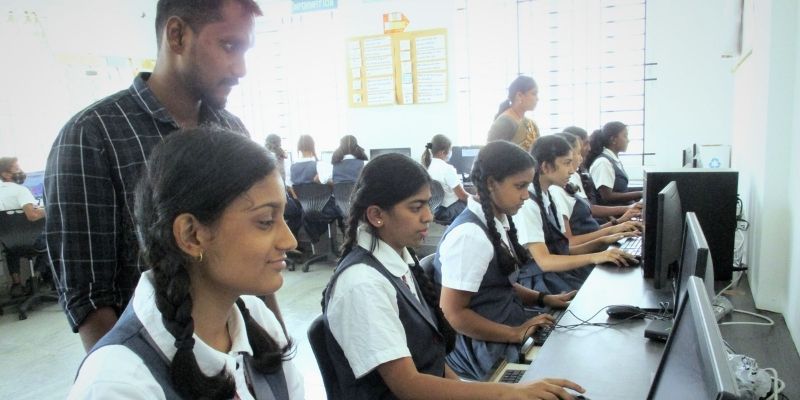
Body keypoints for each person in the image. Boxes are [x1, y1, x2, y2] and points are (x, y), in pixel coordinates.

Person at [44, 0, 285, 352]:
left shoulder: (231, 130)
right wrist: (135, 372)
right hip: (153, 361)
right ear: (177, 35)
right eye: (228, 46)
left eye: (245, 50)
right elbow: (90, 298)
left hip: (237, 352)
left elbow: (255, 265)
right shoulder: (93, 136)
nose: (240, 68)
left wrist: (278, 353)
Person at [321, 153, 584, 399]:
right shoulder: (362, 284)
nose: (429, 216)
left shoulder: (398, 259)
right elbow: (408, 386)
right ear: (377, 215)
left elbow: (432, 359)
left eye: (427, 204)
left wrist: (485, 390)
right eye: (416, 207)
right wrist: (507, 393)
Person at [69, 128, 304, 399]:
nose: (289, 241)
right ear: (191, 235)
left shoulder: (255, 317)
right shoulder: (115, 386)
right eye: (265, 221)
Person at [433, 140, 577, 381]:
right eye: (520, 186)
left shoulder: (496, 221)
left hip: (504, 324)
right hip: (481, 342)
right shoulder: (470, 236)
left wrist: (543, 298)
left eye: (527, 186)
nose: (526, 195)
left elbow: (499, 285)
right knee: (565, 366)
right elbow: (452, 314)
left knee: (572, 340)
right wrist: (515, 333)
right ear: (491, 183)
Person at [512, 136, 638, 294]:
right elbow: (545, 261)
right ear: (546, 167)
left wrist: (603, 241)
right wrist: (595, 256)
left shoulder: (548, 196)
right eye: (566, 163)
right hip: (541, 281)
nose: (571, 170)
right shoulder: (528, 204)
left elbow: (564, 250)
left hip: (557, 273)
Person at [548, 132, 642, 240]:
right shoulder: (556, 190)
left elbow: (590, 229)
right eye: (577, 153)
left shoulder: (570, 180)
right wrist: (613, 230)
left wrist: (618, 224)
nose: (581, 158)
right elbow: (569, 243)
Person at [562, 126, 642, 222]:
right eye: (586, 144)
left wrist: (616, 221)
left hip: (599, 220)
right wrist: (627, 208)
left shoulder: (577, 173)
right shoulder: (601, 162)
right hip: (594, 221)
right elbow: (603, 199)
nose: (589, 148)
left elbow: (588, 205)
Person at [0, 157, 47, 297]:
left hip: (8, 244)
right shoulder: (20, 190)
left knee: (11, 245)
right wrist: (50, 208)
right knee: (54, 240)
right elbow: (32, 215)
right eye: (17, 169)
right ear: (5, 174)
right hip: (32, 243)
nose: (21, 171)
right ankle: (36, 278)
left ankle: (17, 284)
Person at [289, 134, 341, 241]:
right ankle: (346, 242)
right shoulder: (320, 165)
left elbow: (294, 195)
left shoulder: (292, 168)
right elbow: (335, 184)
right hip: (324, 210)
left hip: (305, 211)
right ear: (313, 146)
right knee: (343, 207)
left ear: (298, 148)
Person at [584, 121, 643, 205]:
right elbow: (607, 197)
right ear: (613, 140)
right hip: (615, 211)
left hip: (625, 208)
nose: (628, 140)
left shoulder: (613, 160)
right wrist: (640, 194)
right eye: (625, 136)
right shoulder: (603, 162)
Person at [420, 134, 467, 224]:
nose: (451, 152)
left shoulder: (429, 167)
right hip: (450, 211)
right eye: (450, 150)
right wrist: (477, 200)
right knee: (477, 210)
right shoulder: (447, 169)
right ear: (442, 152)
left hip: (437, 211)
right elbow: (463, 196)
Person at [487, 76, 541, 151]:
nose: (537, 99)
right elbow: (491, 153)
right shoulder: (504, 123)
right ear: (519, 95)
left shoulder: (531, 124)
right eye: (534, 93)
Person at [266, 134, 302, 239]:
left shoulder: (262, 156)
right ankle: (290, 239)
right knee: (298, 212)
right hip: (278, 196)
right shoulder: (280, 155)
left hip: (267, 199)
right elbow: (285, 180)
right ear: (279, 143)